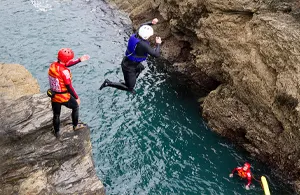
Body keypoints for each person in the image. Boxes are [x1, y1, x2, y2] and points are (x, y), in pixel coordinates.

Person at [99, 18, 162, 93]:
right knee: (129, 88)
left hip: (129, 62)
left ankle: (129, 82)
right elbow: (156, 54)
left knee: (140, 68)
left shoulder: (136, 35)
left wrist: (151, 22)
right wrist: (158, 44)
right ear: (146, 37)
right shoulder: (143, 44)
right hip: (129, 67)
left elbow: (142, 25)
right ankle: (108, 83)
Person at [48, 48, 90, 138]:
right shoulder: (65, 72)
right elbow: (69, 87)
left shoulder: (53, 66)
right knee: (75, 107)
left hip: (54, 95)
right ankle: (75, 126)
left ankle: (57, 132)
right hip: (64, 96)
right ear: (67, 60)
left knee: (56, 115)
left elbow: (64, 64)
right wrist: (76, 97)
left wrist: (79, 60)